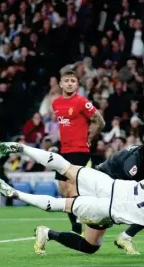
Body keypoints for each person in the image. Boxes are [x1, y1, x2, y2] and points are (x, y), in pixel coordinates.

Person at [0, 142, 144, 267]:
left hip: (108, 184)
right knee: (60, 205)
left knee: (65, 167)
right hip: (108, 209)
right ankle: (14, 193)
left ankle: (22, 148)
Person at [52, 69, 105, 234]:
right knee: (62, 189)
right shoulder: (56, 103)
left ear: (77, 84)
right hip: (64, 150)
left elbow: (100, 121)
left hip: (79, 149)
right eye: (66, 80)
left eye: (73, 81)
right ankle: (76, 220)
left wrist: (90, 136)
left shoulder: (82, 102)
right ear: (61, 84)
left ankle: (79, 223)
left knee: (70, 188)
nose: (69, 83)